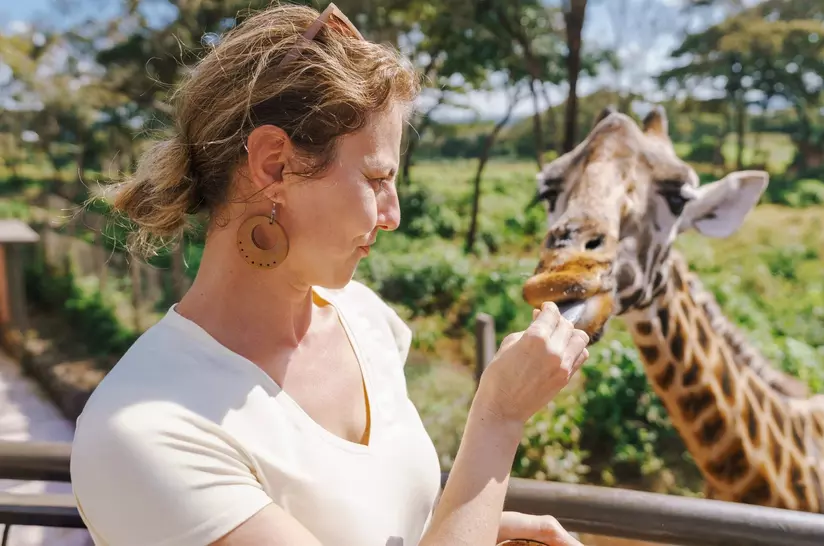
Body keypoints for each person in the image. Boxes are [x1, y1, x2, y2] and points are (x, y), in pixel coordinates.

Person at [68, 3, 591, 546]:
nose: (393, 216)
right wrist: (499, 419)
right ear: (274, 164)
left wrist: (465, 525)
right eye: (375, 177)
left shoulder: (365, 320)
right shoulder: (143, 432)